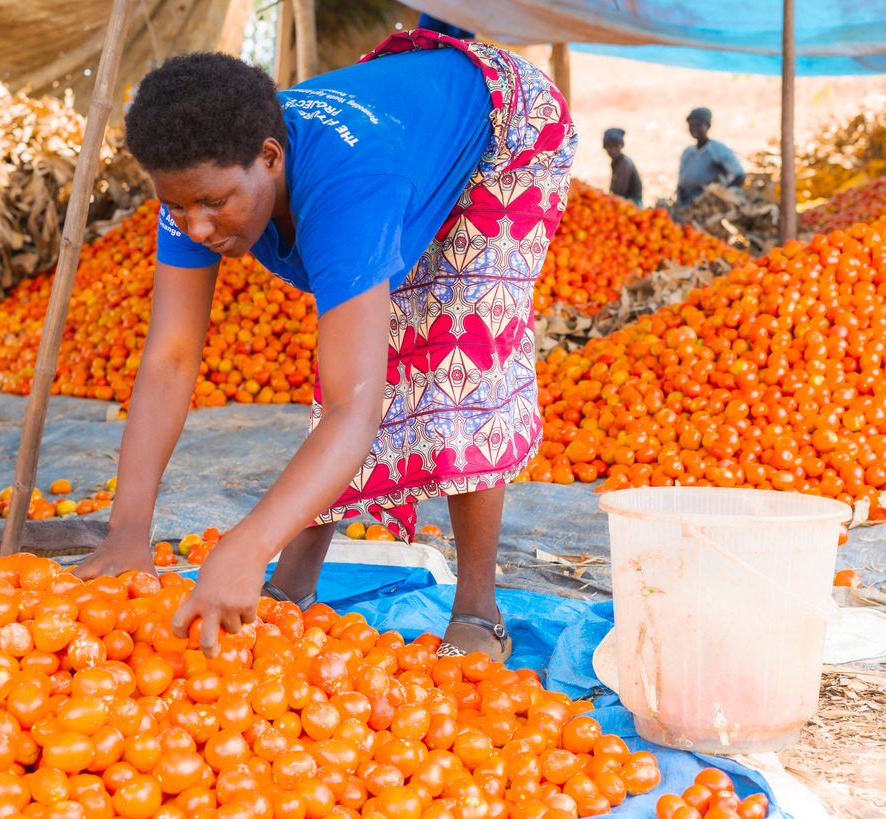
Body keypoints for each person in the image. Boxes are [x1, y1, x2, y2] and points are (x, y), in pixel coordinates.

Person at [74, 30, 577, 662]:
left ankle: (478, 606)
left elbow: (354, 407)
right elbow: (171, 358)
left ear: (270, 157)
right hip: (400, 124)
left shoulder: (347, 194)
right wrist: (127, 530)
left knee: (454, 351)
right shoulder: (199, 176)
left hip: (503, 125)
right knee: (355, 351)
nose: (196, 227)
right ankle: (298, 577)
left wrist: (245, 545)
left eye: (213, 204)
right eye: (177, 207)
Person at [676, 107, 745, 205]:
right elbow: (681, 183)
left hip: (708, 204)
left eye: (698, 125)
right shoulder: (687, 152)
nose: (694, 128)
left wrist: (723, 195)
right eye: (691, 125)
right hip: (687, 202)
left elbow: (739, 175)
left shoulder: (718, 149)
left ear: (708, 126)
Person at [603, 128, 642, 207]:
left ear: (621, 146)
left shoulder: (624, 163)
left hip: (632, 205)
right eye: (609, 146)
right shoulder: (616, 162)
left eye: (615, 146)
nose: (612, 150)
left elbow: (619, 193)